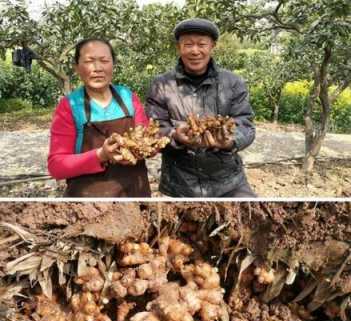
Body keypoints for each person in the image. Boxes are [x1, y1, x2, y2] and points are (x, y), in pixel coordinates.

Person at [145, 18, 256, 197]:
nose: (195, 51)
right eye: (188, 44)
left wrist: (229, 141)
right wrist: (175, 136)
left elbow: (246, 124)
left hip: (228, 182)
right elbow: (154, 127)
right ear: (179, 47)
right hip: (179, 184)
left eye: (201, 44)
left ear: (212, 46)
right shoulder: (161, 84)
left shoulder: (233, 82)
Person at [48, 38, 151, 197]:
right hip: (90, 198)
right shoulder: (70, 106)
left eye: (104, 61)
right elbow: (56, 167)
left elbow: (147, 140)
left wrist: (152, 146)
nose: (97, 68)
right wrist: (100, 155)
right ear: (76, 68)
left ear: (113, 65)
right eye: (89, 61)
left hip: (135, 192)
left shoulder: (128, 97)